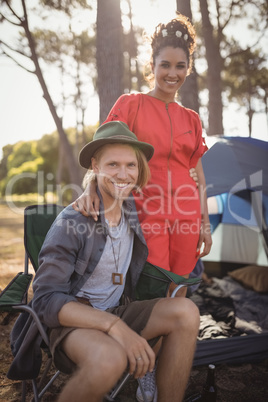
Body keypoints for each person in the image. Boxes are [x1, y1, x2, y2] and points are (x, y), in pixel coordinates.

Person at [8, 121, 200, 402]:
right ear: (95, 166)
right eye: (113, 165)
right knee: (110, 358)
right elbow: (45, 300)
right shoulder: (73, 222)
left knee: (186, 311)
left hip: (116, 309)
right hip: (73, 322)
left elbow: (172, 195)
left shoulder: (131, 206)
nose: (123, 174)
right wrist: (113, 326)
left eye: (130, 165)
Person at [74, 13, 212, 283]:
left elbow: (200, 176)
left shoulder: (192, 119)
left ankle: (176, 324)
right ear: (152, 64)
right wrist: (90, 187)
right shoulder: (131, 105)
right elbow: (103, 153)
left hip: (188, 211)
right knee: (152, 283)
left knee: (181, 282)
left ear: (189, 68)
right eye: (165, 65)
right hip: (145, 209)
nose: (172, 73)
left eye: (180, 66)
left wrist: (205, 225)